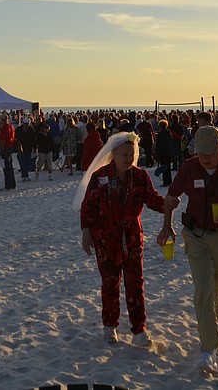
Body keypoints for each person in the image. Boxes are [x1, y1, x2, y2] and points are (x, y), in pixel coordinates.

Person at [157, 126, 218, 372]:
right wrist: (167, 227)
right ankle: (209, 348)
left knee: (217, 290)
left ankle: (209, 332)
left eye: (209, 153)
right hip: (195, 236)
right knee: (203, 289)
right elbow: (170, 198)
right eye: (199, 153)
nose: (203, 158)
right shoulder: (190, 168)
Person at [74, 131, 166, 347]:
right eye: (124, 154)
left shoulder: (140, 176)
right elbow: (88, 207)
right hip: (105, 240)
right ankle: (110, 326)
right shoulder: (100, 177)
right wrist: (86, 233)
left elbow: (152, 199)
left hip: (132, 238)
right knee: (110, 283)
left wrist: (168, 205)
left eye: (131, 154)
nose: (128, 158)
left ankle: (139, 328)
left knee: (135, 283)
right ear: (113, 154)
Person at [154, 119, 176, 186]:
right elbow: (171, 144)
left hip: (163, 153)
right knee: (168, 168)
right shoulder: (169, 134)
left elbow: (159, 145)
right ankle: (169, 181)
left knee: (164, 167)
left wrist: (157, 153)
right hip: (168, 153)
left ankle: (166, 182)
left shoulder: (160, 135)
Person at [0, 115, 17, 190]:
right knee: (10, 167)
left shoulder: (4, 128)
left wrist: (0, 152)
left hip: (6, 148)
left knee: (6, 168)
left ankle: (8, 185)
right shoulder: (11, 127)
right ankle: (12, 184)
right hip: (10, 147)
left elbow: (3, 141)